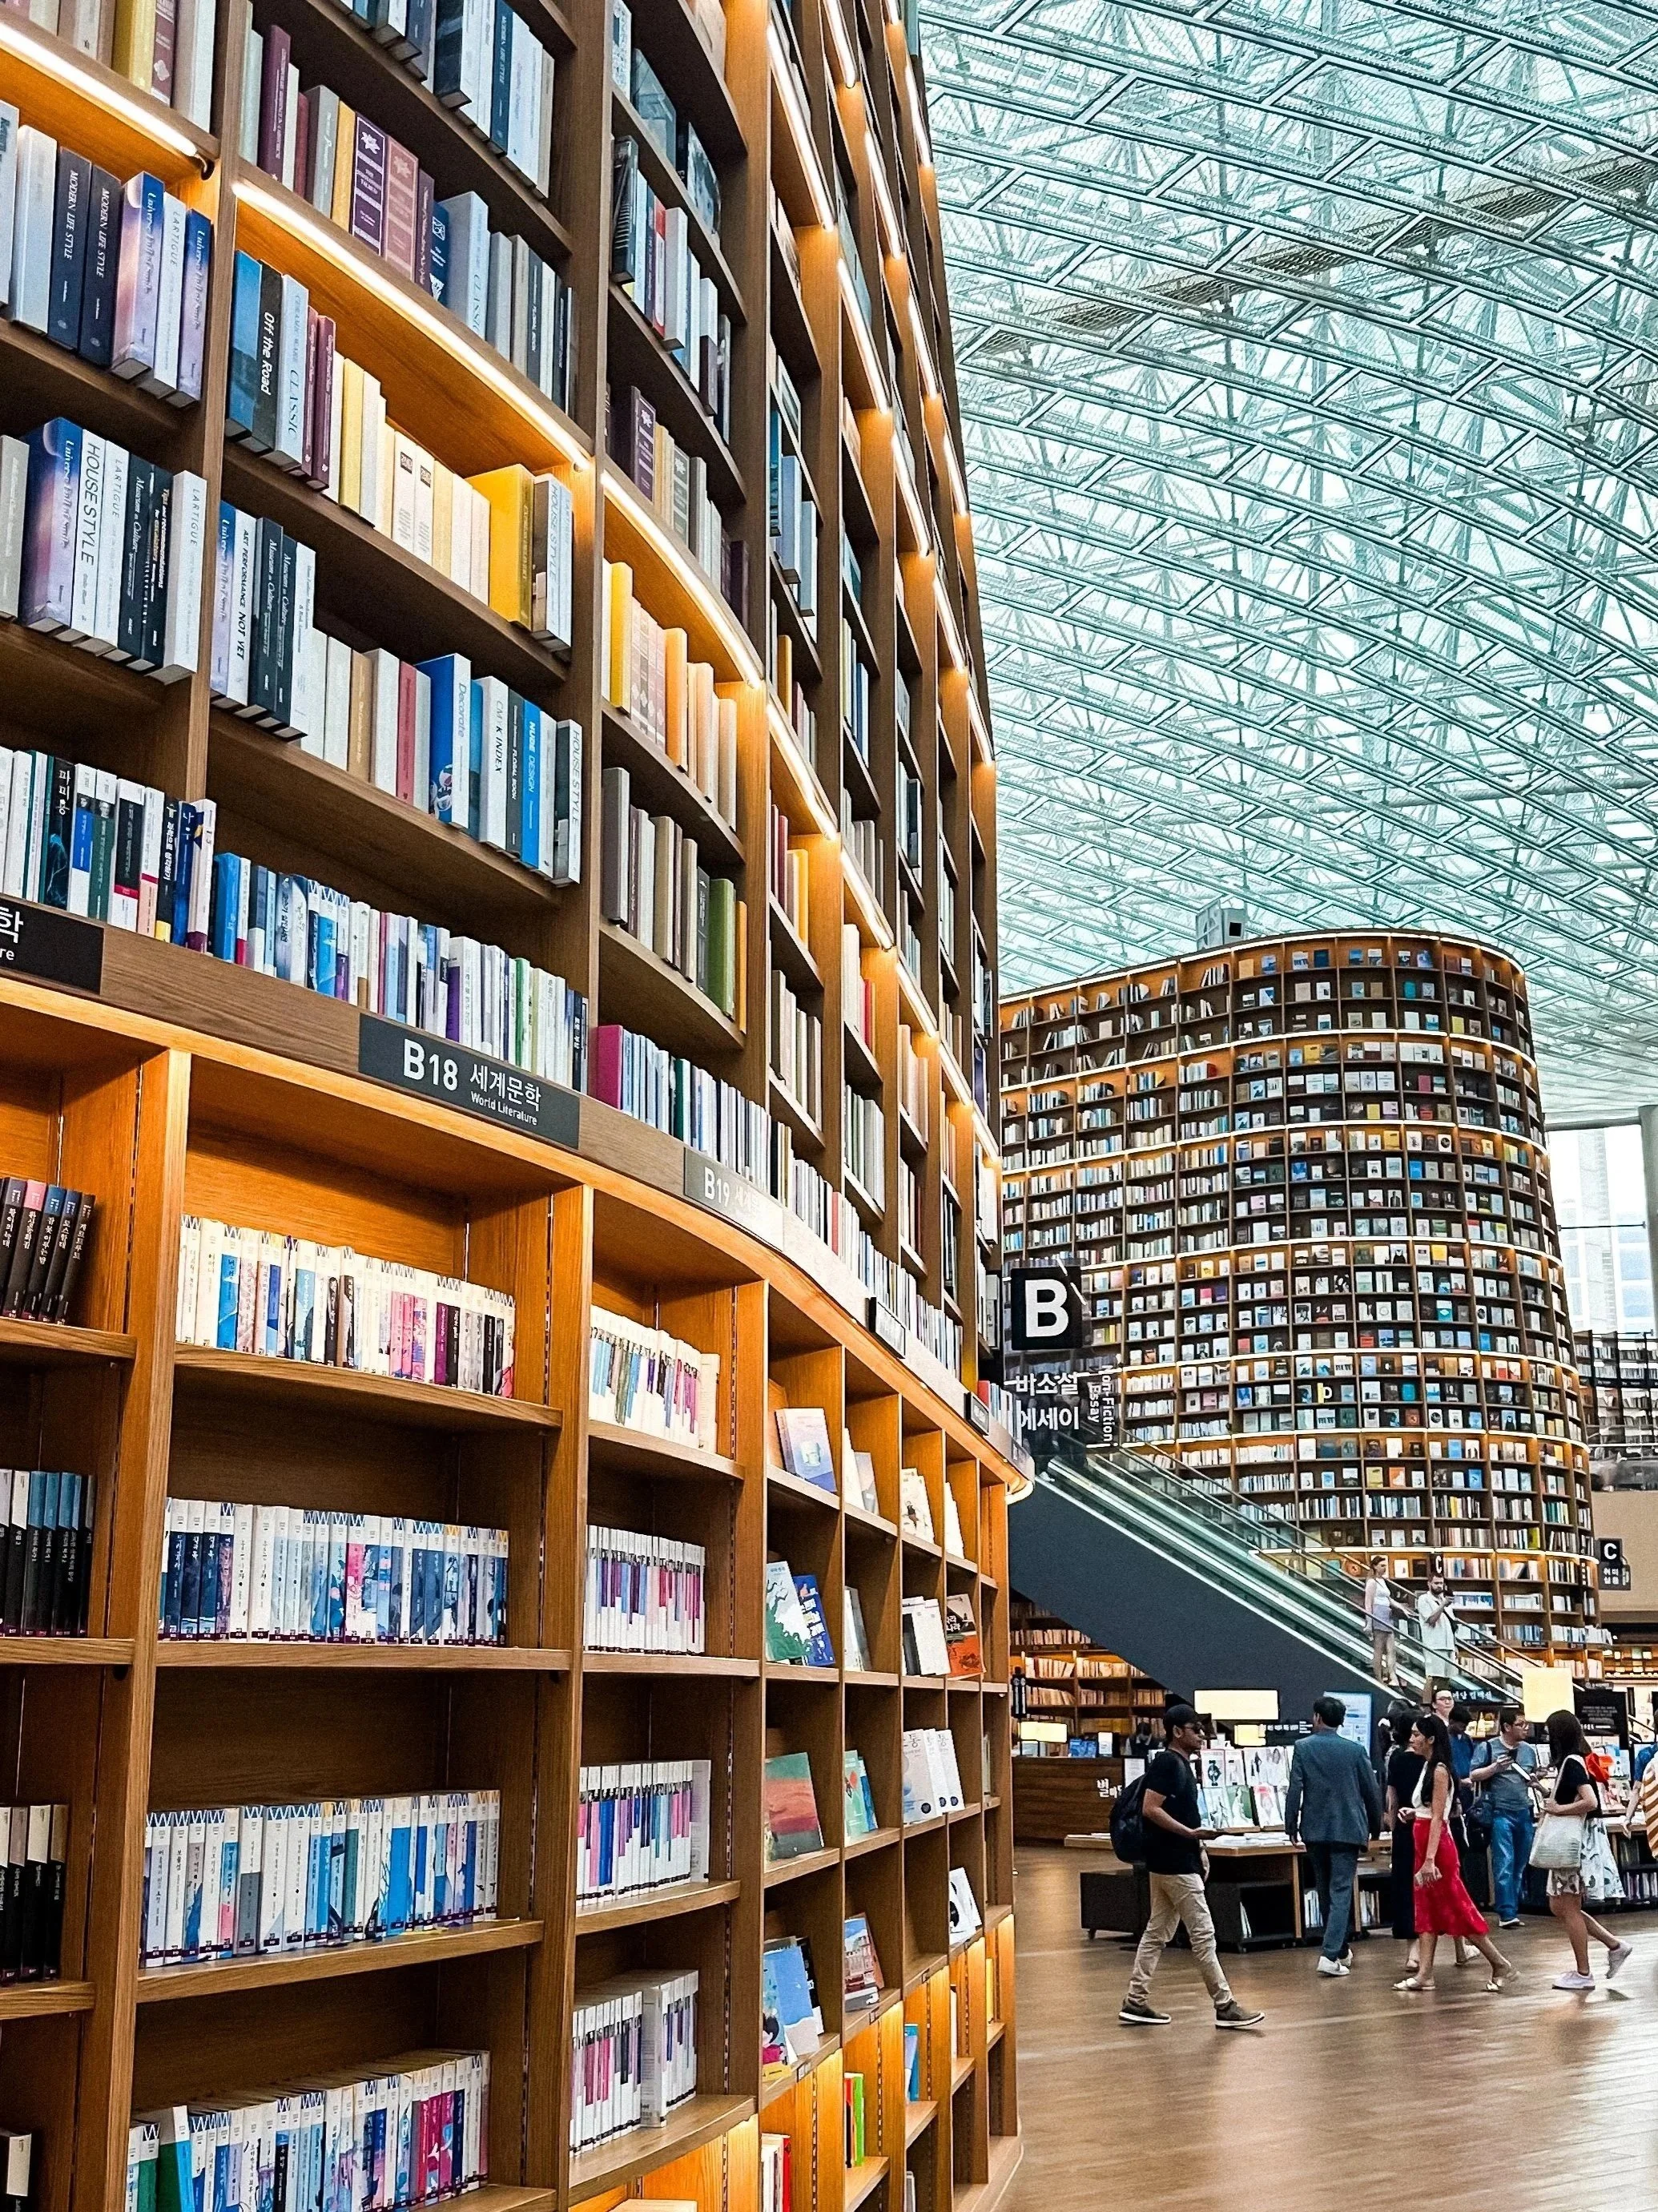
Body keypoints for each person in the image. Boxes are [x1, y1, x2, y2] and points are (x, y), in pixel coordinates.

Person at [1120, 1705, 1266, 2029]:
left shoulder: (1179, 1764)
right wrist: (1190, 1836)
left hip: (1170, 1860)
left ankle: (1136, 1999)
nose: (1202, 1735)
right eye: (1195, 1729)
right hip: (1175, 1864)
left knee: (1157, 1932)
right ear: (1177, 1732)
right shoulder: (1169, 1764)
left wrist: (1197, 1844)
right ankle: (1224, 2004)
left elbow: (1176, 1811)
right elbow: (1150, 1808)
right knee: (1203, 1934)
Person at [1394, 1711, 1513, 1993]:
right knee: (1425, 1908)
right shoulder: (1429, 1767)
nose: (1412, 1740)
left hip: (1435, 1848)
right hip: (1424, 1840)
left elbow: (1438, 1817)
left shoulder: (1438, 1770)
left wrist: (1429, 1860)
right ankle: (1425, 1973)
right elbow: (1432, 1811)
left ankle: (1500, 1963)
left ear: (1430, 1739)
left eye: (1416, 1735)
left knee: (1455, 1907)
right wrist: (1415, 1813)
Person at [1284, 1695, 1384, 1976]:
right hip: (1348, 1828)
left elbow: (1295, 1790)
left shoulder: (1303, 1748)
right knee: (1341, 1890)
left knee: (1325, 1890)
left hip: (1315, 1829)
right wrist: (1375, 1826)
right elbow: (1370, 1790)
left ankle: (1338, 1950)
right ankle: (1330, 1955)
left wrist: (1290, 1825)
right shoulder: (1355, 1750)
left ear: (1317, 1717)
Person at [1540, 1708, 1634, 1992]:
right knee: (1562, 1905)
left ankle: (1584, 1972)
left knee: (1567, 1906)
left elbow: (1590, 1801)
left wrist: (1558, 1809)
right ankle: (1614, 1945)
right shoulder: (1577, 1762)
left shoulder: (1572, 1764)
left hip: (1574, 1844)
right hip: (1580, 1841)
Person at [1471, 1705, 1539, 1928]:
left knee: (1520, 1863)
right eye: (1521, 1724)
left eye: (1526, 1724)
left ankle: (1514, 1908)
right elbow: (1473, 1774)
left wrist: (1536, 1779)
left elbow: (1533, 1775)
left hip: (1524, 1810)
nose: (1525, 1728)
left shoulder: (1528, 1750)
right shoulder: (1488, 1748)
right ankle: (1506, 1912)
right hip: (1500, 1811)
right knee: (1504, 1862)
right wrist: (1494, 1768)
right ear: (1507, 1727)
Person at [1384, 1701, 1425, 1973]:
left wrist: (1391, 1821)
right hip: (1426, 1828)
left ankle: (1413, 1952)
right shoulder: (1432, 1760)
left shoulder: (1395, 1758)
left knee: (1407, 1887)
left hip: (1403, 1830)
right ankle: (1459, 1945)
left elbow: (1391, 1797)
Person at [1416, 1573, 1459, 1691]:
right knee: (1433, 1678)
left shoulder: (1445, 1601)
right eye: (1436, 1583)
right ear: (1429, 1584)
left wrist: (1455, 1645)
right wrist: (1443, 1605)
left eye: (1441, 1583)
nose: (1439, 1586)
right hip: (1434, 1645)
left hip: (1449, 1645)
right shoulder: (1424, 1599)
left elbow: (1452, 1624)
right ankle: (1428, 1704)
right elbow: (1431, 1620)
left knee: (1447, 1679)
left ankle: (1440, 1701)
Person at [1363, 1556, 1396, 1684]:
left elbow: (1388, 1599)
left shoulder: (1382, 1581)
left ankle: (1392, 1675)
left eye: (1385, 1566)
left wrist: (1402, 1609)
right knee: (1379, 1648)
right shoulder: (1372, 1582)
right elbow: (1368, 1603)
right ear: (1375, 1567)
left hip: (1387, 1613)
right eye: (1382, 1566)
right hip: (1378, 1613)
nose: (1384, 1568)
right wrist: (1369, 1623)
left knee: (1391, 1649)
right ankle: (1379, 1677)